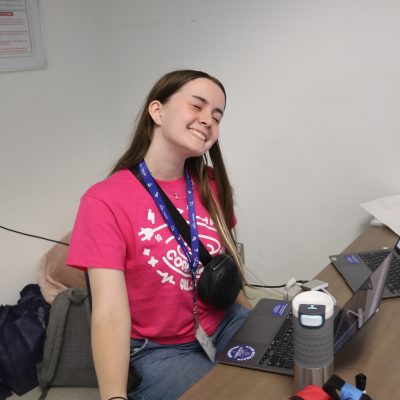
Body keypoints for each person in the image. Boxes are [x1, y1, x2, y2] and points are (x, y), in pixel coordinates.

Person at [67, 69, 252, 400]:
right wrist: (113, 396)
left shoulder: (210, 184)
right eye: (197, 105)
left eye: (216, 116)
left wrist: (253, 320)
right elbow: (109, 315)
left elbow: (226, 266)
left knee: (283, 364)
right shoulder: (103, 201)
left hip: (224, 321)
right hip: (159, 349)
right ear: (157, 111)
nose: (207, 120)